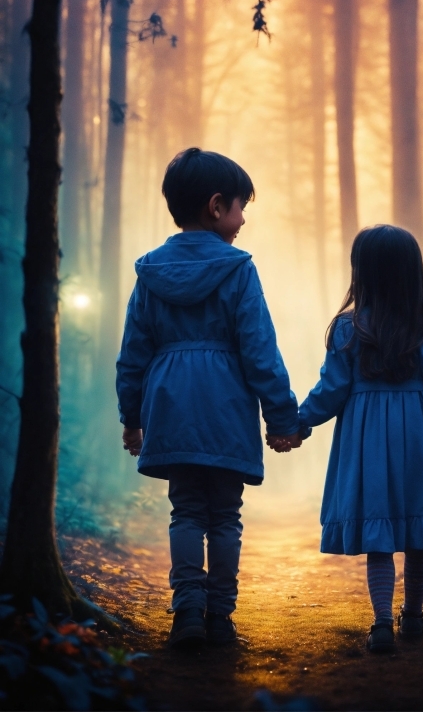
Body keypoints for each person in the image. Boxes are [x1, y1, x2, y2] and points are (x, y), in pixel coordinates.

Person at [117, 148, 301, 649]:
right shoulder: (238, 269)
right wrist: (281, 417)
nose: (243, 220)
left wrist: (131, 418)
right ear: (217, 207)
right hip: (224, 407)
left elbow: (133, 353)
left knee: (185, 511)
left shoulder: (151, 272)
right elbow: (260, 351)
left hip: (171, 406)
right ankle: (220, 616)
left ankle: (187, 614)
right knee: (224, 514)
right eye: (241, 207)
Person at [269, 225, 423, 652]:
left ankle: (382, 622)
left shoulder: (349, 330)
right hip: (421, 441)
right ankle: (414, 616)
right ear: (411, 274)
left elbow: (330, 391)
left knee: (379, 534)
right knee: (418, 531)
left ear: (361, 273)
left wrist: (296, 425)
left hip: (369, 445)